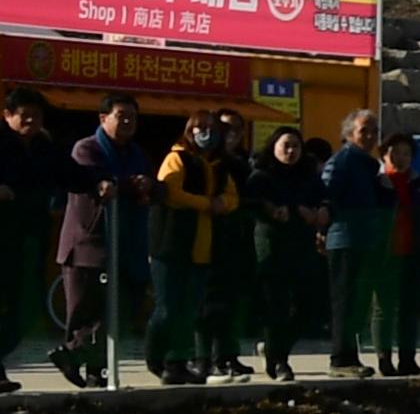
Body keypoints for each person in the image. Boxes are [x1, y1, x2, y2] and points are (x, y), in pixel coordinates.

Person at [1, 84, 99, 394]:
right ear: (7, 116)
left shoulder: (45, 148)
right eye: (24, 116)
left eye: (37, 116)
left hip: (31, 236)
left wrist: (105, 184)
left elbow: (73, 175)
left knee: (26, 311)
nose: (31, 121)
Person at [55, 95, 157, 386]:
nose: (127, 122)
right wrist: (128, 185)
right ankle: (94, 374)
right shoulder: (87, 148)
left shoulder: (137, 152)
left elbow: (154, 186)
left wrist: (149, 185)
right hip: (89, 245)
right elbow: (93, 180)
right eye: (120, 115)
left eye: (133, 117)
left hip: (127, 246)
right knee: (85, 313)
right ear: (103, 118)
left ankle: (72, 355)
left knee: (125, 307)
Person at [148, 110, 241, 385]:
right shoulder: (177, 158)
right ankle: (155, 356)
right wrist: (206, 204)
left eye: (211, 128)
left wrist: (221, 204)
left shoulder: (219, 164)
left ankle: (177, 362)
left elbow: (232, 196)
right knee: (167, 307)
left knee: (189, 309)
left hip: (202, 247)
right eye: (199, 128)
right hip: (171, 245)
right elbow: (172, 194)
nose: (206, 134)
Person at [246, 124, 327, 380]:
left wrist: (322, 210)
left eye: (296, 146)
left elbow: (323, 198)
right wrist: (274, 210)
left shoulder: (308, 175)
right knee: (276, 306)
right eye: (286, 146)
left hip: (302, 245)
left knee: (310, 306)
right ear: (274, 147)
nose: (291, 151)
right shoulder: (261, 175)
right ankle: (278, 362)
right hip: (272, 245)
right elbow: (251, 203)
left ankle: (275, 348)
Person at [320, 109, 392, 374]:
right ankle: (340, 358)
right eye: (364, 131)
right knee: (345, 300)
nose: (370, 136)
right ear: (349, 134)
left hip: (364, 239)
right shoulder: (343, 161)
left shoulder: (369, 165)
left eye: (374, 131)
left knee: (357, 303)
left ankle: (350, 355)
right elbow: (327, 194)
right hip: (344, 239)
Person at [202, 111, 259, 379]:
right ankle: (207, 358)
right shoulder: (206, 160)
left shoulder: (247, 162)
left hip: (240, 238)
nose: (231, 134)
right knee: (210, 302)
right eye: (225, 129)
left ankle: (229, 355)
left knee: (235, 301)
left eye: (237, 129)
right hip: (209, 237)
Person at [382, 130, 420, 378]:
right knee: (383, 310)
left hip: (413, 252)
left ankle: (408, 359)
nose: (401, 157)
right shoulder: (378, 182)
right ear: (385, 154)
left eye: (406, 153)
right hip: (385, 254)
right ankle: (384, 359)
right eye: (395, 152)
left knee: (409, 310)